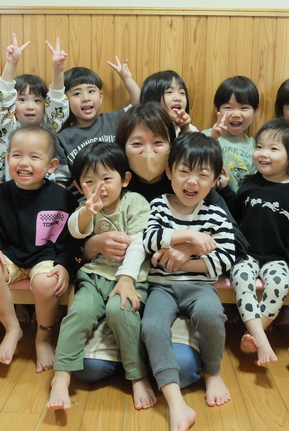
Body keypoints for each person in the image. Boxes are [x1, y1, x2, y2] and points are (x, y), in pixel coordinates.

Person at [80, 103, 218, 389]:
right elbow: (71, 243)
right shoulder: (106, 184)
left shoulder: (187, 182)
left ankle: (148, 355)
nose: (148, 153)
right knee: (89, 368)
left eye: (158, 143)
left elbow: (232, 237)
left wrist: (190, 248)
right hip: (118, 290)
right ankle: (136, 354)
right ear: (122, 147)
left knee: (181, 370)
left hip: (170, 288)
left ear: (172, 145)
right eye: (136, 144)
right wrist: (94, 244)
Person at [142, 132, 243, 431]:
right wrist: (190, 236)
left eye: (203, 174)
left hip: (200, 287)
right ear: (169, 171)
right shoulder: (159, 205)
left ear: (216, 178)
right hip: (161, 287)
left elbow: (226, 257)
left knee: (211, 313)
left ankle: (213, 372)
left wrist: (185, 260)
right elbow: (149, 240)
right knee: (151, 326)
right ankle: (175, 403)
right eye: (184, 171)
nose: (192, 181)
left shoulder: (216, 213)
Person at [47, 141, 155, 411]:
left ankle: (137, 375)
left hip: (131, 279)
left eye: (107, 178)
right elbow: (75, 230)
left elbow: (140, 243)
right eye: (90, 181)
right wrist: (86, 211)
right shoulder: (86, 207)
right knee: (79, 312)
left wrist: (126, 279)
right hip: (94, 277)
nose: (100, 187)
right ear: (78, 185)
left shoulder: (135, 202)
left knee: (121, 312)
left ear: (125, 179)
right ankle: (61, 377)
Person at [0, 125, 80, 369]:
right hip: (9, 257)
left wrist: (65, 264)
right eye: (17, 155)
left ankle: (43, 339)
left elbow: (72, 239)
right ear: (8, 158)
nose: (24, 162)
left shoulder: (62, 198)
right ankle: (12, 329)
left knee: (46, 283)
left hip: (46, 258)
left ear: (51, 166)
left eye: (34, 157)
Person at [221, 118, 289, 366]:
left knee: (279, 286)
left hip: (278, 257)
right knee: (242, 280)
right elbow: (235, 215)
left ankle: (252, 335)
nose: (263, 153)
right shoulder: (250, 183)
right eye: (259, 146)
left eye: (273, 148)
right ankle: (262, 339)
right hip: (246, 254)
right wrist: (226, 189)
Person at [0, 33, 69, 183]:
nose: (30, 106)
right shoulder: (7, 127)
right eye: (22, 99)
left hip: (43, 191)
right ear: (12, 103)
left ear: (45, 104)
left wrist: (58, 71)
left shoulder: (48, 127)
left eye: (37, 100)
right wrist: (11, 64)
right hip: (12, 191)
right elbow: (2, 99)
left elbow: (57, 105)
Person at [54, 60, 141, 188]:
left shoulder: (114, 120)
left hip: (119, 193)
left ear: (100, 96)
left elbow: (139, 106)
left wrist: (127, 79)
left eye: (91, 91)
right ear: (66, 101)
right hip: (84, 197)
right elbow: (61, 181)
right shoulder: (62, 137)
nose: (86, 98)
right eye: (77, 93)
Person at [202, 76, 259, 192]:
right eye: (228, 107)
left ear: (255, 111)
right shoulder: (206, 137)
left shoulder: (256, 147)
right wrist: (213, 139)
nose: (236, 114)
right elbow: (193, 161)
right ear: (217, 109)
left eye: (244, 108)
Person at [140, 70, 196, 135]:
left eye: (182, 93)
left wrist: (185, 129)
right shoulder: (142, 129)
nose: (178, 98)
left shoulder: (191, 130)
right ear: (153, 99)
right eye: (169, 92)